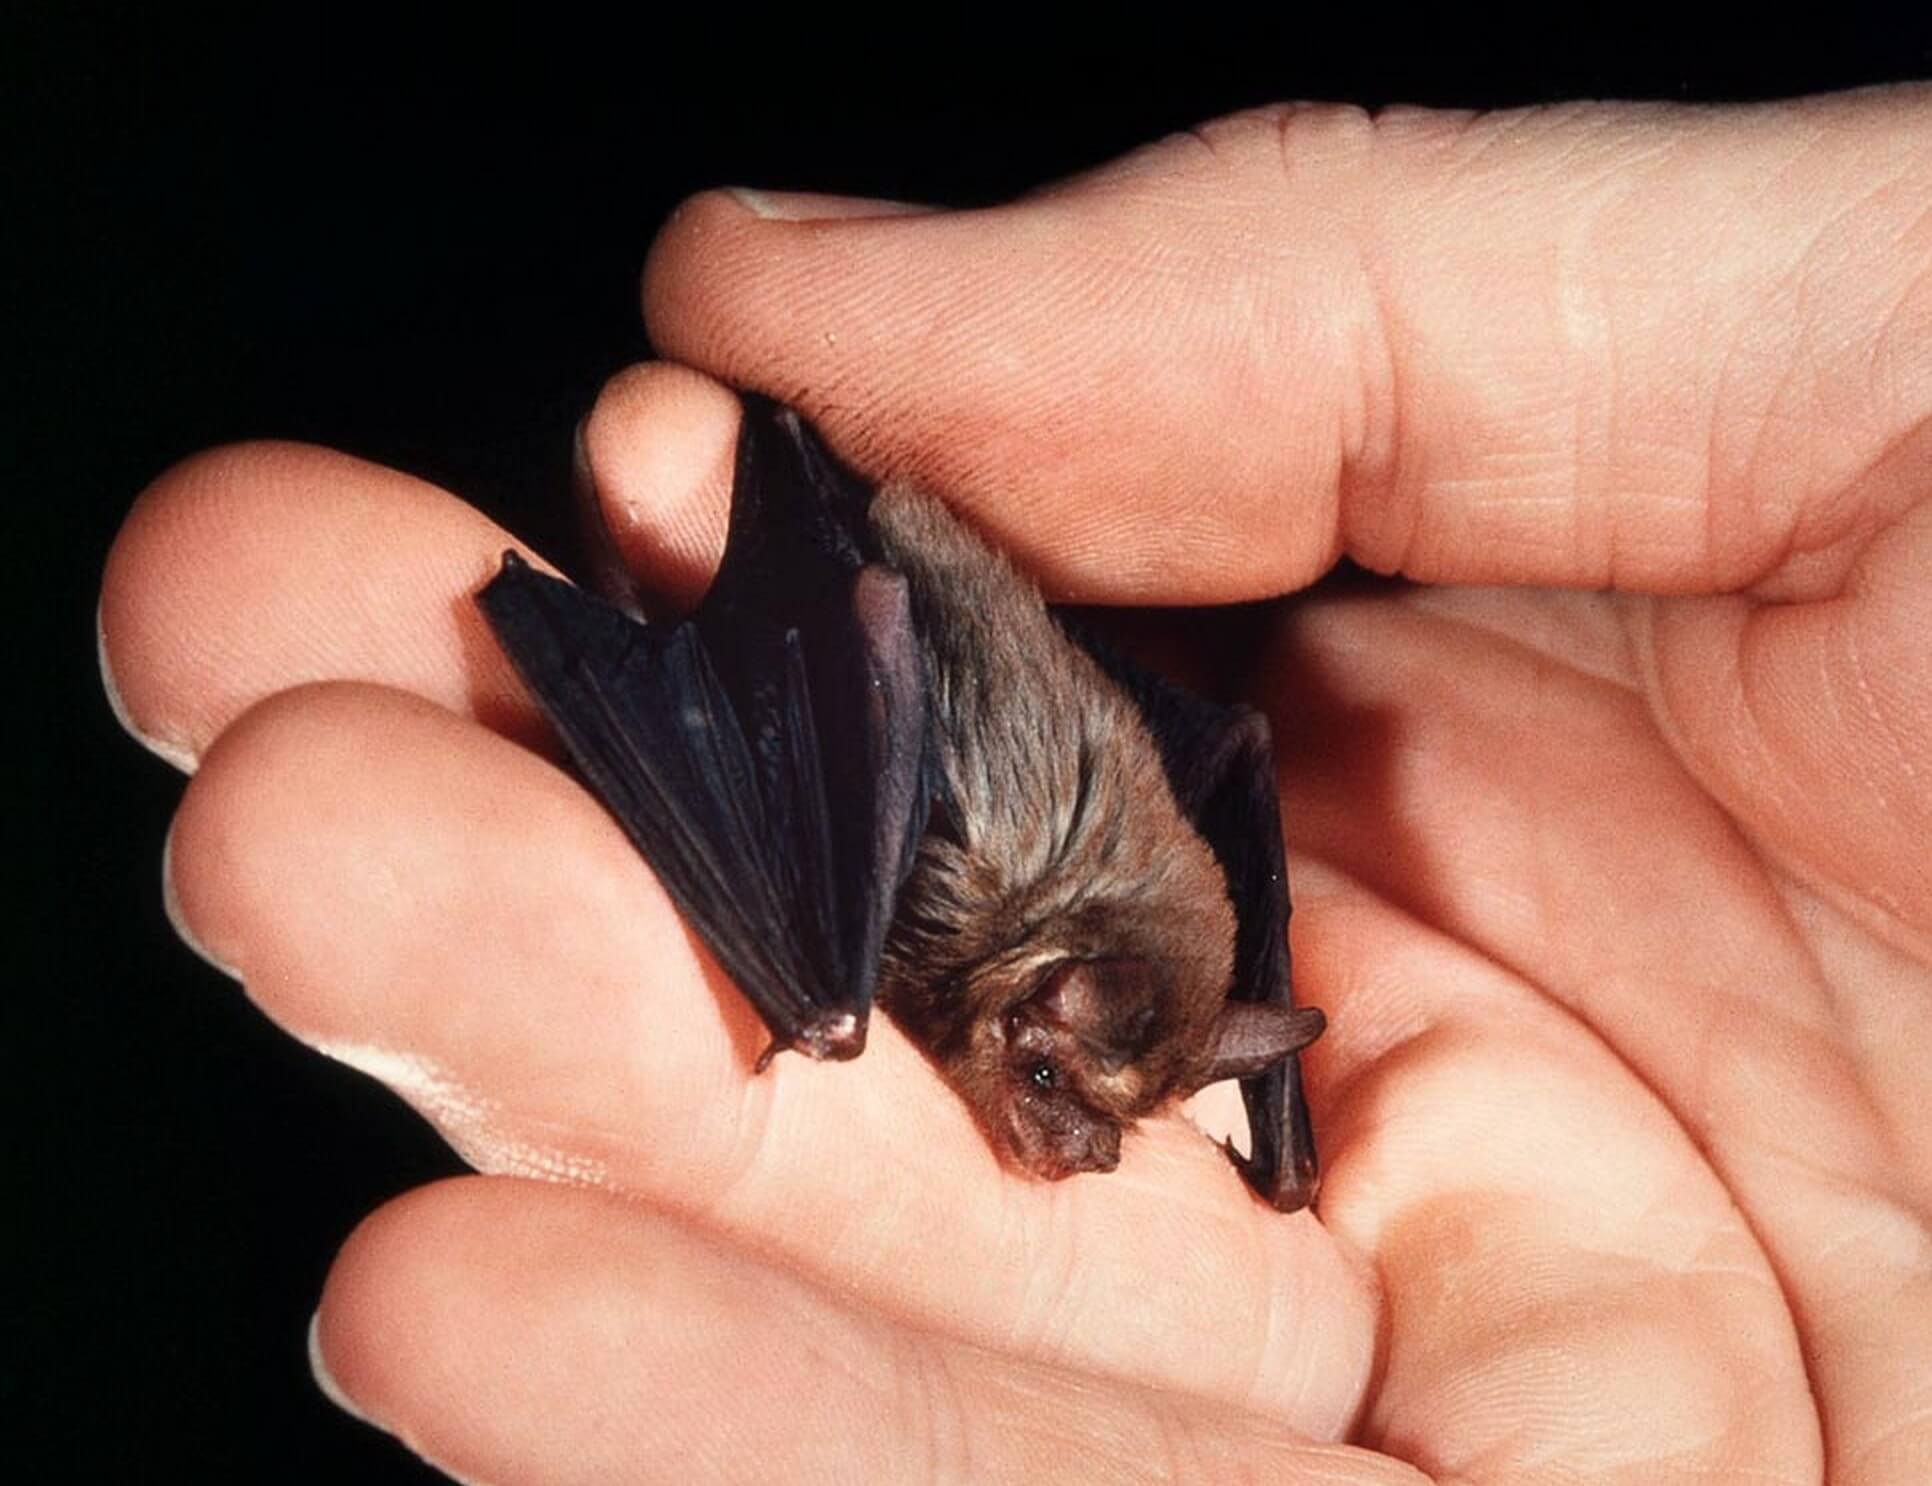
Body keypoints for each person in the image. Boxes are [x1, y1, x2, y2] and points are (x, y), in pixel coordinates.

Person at [99, 90, 1931, 1482]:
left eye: (1080, 1109)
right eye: (1051, 1080)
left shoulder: (1157, 890)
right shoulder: (963, 897)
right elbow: (913, 729)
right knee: (818, 989)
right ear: (1035, 997)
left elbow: (1217, 771)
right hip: (885, 674)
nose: (1061, 1136)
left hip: (971, 720)